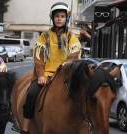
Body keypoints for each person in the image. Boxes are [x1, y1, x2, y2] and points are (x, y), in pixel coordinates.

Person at [21, 2, 82, 134]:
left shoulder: (72, 37)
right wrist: (41, 75)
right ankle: (25, 128)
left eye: (62, 16)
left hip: (66, 75)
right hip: (46, 76)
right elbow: (38, 58)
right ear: (52, 18)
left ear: (66, 18)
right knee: (31, 94)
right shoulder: (44, 36)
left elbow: (75, 54)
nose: (59, 18)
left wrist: (66, 65)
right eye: (57, 16)